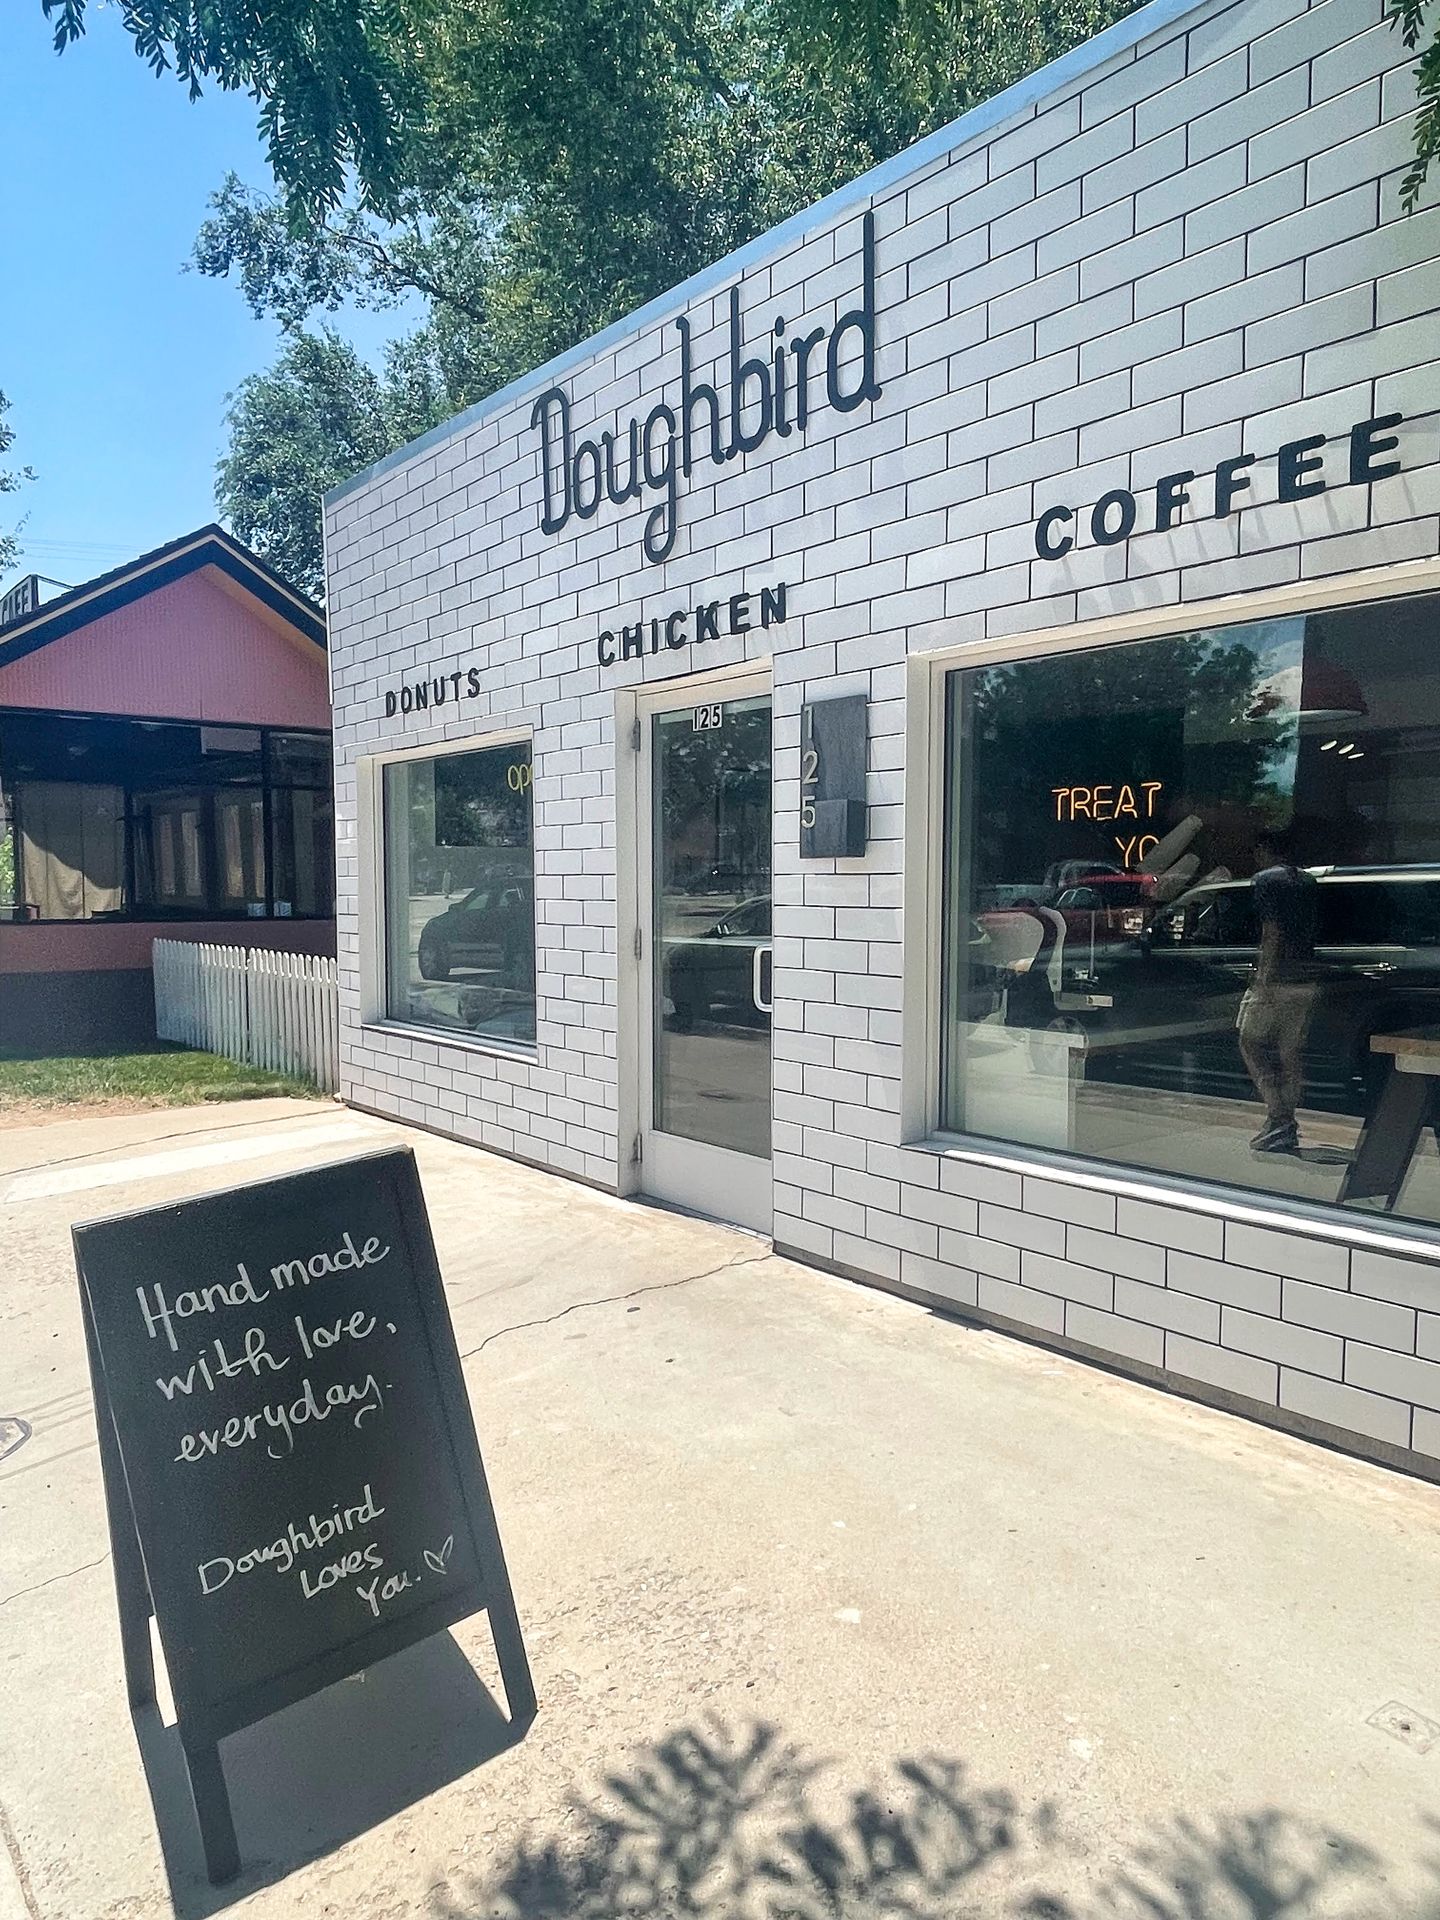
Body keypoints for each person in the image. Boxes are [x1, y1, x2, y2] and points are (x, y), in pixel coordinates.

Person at [1237, 826, 1319, 1154]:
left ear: (1265, 850)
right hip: (1305, 976)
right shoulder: (1308, 882)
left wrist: (1263, 978)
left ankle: (1277, 1116)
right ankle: (1287, 1119)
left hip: (1278, 977)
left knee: (1249, 1038)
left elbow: (1271, 932)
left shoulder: (1266, 881)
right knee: (1290, 1051)